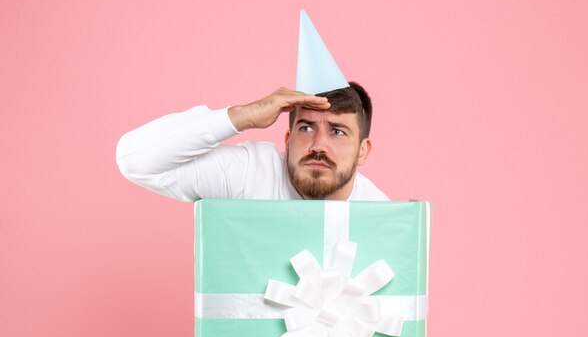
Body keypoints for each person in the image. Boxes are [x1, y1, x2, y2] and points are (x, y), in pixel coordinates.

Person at [116, 82, 389, 201]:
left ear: (362, 151)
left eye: (338, 132)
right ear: (288, 139)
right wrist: (242, 116)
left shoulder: (383, 219)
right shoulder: (251, 173)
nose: (319, 145)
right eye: (306, 128)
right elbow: (135, 161)